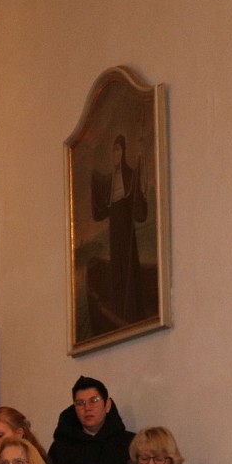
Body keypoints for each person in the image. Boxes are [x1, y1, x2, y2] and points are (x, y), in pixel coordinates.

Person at [88, 134, 149, 332]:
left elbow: (136, 201)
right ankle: (119, 307)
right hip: (115, 228)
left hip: (125, 226)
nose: (116, 154)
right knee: (117, 265)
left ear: (123, 152)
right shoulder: (109, 179)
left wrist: (141, 167)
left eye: (118, 150)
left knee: (128, 264)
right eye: (113, 150)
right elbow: (102, 205)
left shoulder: (129, 175)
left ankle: (132, 310)